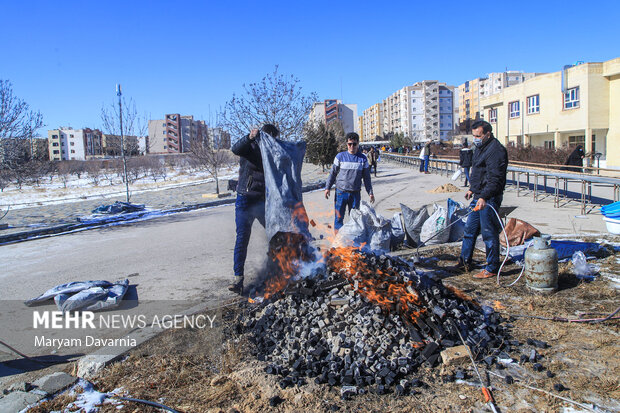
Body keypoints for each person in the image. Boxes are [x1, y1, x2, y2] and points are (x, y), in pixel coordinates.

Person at [229, 124, 280, 294]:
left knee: (275, 233)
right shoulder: (249, 147)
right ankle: (238, 279)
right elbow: (235, 149)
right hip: (245, 199)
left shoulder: (272, 153)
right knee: (242, 238)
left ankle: (276, 269)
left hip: (262, 201)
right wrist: (250, 137)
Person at [457, 120, 508, 279]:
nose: (475, 139)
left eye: (478, 136)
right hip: (478, 196)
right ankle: (464, 262)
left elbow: (495, 179)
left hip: (489, 199)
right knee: (469, 231)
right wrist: (472, 188)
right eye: (474, 136)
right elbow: (479, 171)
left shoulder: (496, 151)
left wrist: (484, 197)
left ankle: (492, 267)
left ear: (487, 134)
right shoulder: (480, 148)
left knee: (489, 233)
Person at [324, 132, 375, 232]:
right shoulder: (340, 157)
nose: (352, 146)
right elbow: (332, 173)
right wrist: (327, 188)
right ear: (346, 144)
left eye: (354, 144)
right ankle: (338, 242)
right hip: (340, 193)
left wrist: (370, 192)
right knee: (338, 218)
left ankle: (353, 243)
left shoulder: (363, 159)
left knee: (355, 219)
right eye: (349, 144)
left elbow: (367, 178)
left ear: (358, 144)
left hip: (355, 194)